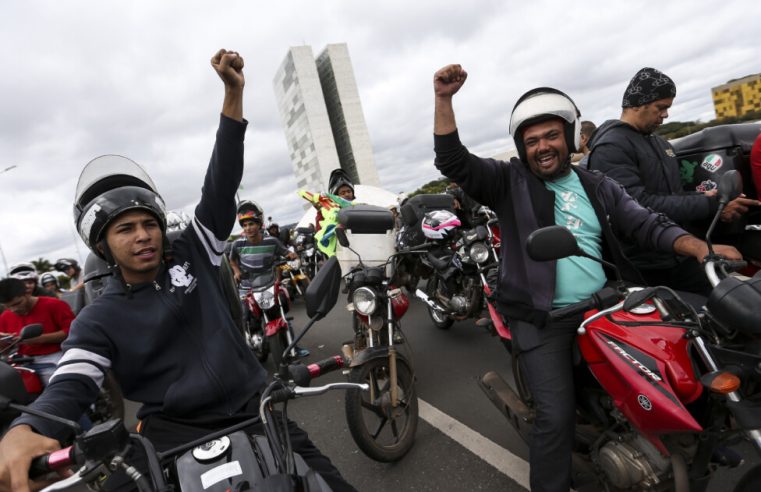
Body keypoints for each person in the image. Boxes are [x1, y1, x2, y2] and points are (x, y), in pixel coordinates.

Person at [0, 49, 351, 492]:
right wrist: (25, 431)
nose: (142, 235)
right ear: (103, 246)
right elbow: (71, 379)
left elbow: (221, 184)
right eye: (125, 229)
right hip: (168, 435)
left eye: (149, 224)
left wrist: (232, 95)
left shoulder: (195, 251)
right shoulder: (97, 318)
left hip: (256, 409)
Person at [431, 63, 741, 492]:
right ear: (522, 147)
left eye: (552, 136)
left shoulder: (596, 183)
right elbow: (452, 160)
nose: (543, 147)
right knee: (555, 418)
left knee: (696, 350)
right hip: (545, 318)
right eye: (532, 140)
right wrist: (444, 99)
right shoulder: (507, 182)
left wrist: (702, 249)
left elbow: (647, 223)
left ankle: (694, 439)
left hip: (607, 303)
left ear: (570, 136)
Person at [586, 67, 760, 294]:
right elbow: (636, 206)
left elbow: (674, 196)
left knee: (738, 298)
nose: (666, 114)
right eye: (661, 107)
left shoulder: (662, 145)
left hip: (680, 255)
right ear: (638, 103)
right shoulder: (611, 147)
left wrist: (715, 203)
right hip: (647, 266)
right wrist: (709, 204)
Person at [229, 201, 308, 358]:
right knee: (245, 316)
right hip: (247, 287)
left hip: (269, 284)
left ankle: (295, 347)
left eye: (251, 224)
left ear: (259, 224)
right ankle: (247, 346)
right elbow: (232, 260)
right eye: (244, 225)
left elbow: (286, 253)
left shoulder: (272, 241)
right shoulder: (237, 244)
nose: (248, 228)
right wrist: (237, 272)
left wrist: (291, 256)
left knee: (280, 314)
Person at [0, 277, 74, 385]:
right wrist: (3, 343)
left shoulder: (54, 305)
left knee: (68, 393)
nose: (13, 310)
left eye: (17, 303)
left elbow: (74, 332)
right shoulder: (5, 317)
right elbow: (6, 350)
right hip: (24, 364)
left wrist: (40, 339)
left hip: (56, 359)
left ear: (27, 293)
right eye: (8, 306)